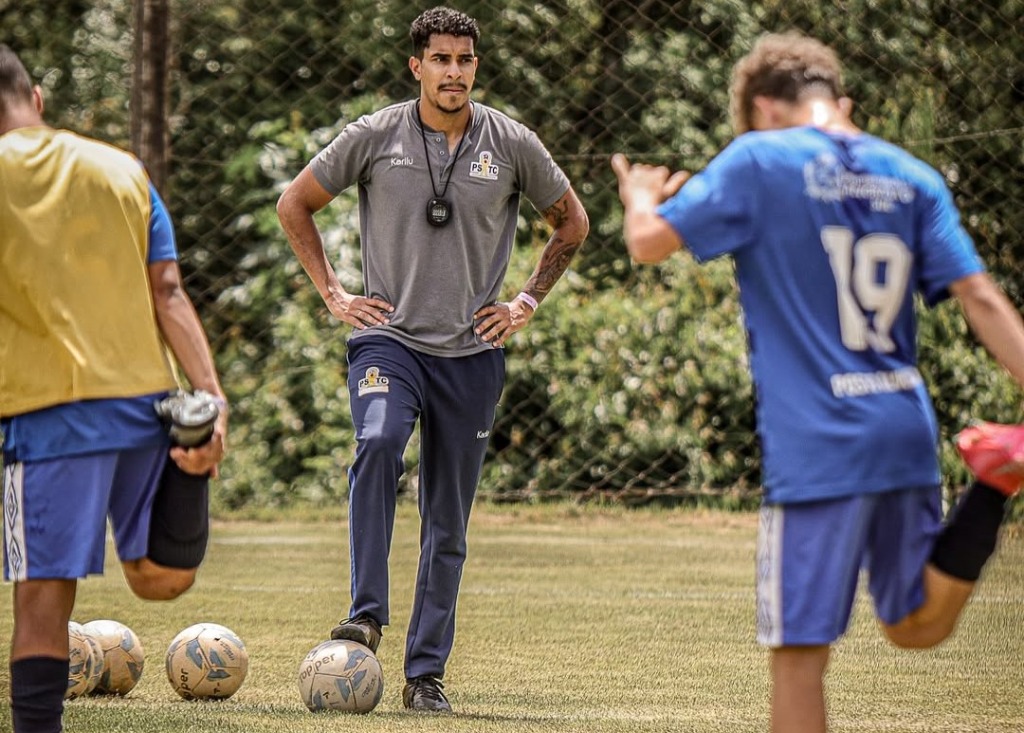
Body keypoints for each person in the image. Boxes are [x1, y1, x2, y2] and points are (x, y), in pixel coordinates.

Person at [612, 31, 1024, 733]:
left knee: (799, 655)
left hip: (817, 445)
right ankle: (992, 484)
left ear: (765, 110)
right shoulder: (911, 175)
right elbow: (981, 297)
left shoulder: (760, 159)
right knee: (915, 624)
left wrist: (640, 195)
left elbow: (648, 244)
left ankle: (992, 484)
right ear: (841, 102)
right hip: (902, 429)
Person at [277, 5, 588, 713]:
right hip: (388, 338)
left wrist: (524, 303)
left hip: (472, 353)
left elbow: (573, 222)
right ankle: (365, 612)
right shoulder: (375, 135)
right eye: (441, 59)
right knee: (379, 437)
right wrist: (334, 292)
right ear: (416, 66)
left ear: (476, 66)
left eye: (465, 60)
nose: (454, 71)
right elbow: (295, 204)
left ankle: (426, 676)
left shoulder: (510, 143)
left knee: (447, 519)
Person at [0, 44, 227, 733]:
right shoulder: (121, 169)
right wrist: (209, 400)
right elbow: (167, 290)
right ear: (34, 97)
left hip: (46, 419)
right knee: (161, 577)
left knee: (43, 595)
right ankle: (192, 467)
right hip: (145, 407)